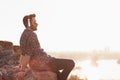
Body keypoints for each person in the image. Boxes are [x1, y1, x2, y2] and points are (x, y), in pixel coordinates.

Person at [18, 13, 75, 80]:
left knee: (58, 73)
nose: (37, 24)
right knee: (71, 63)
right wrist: (22, 70)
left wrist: (20, 66)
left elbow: (23, 53)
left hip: (39, 63)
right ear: (29, 24)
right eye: (34, 22)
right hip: (44, 62)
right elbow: (27, 53)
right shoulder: (31, 35)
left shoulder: (23, 35)